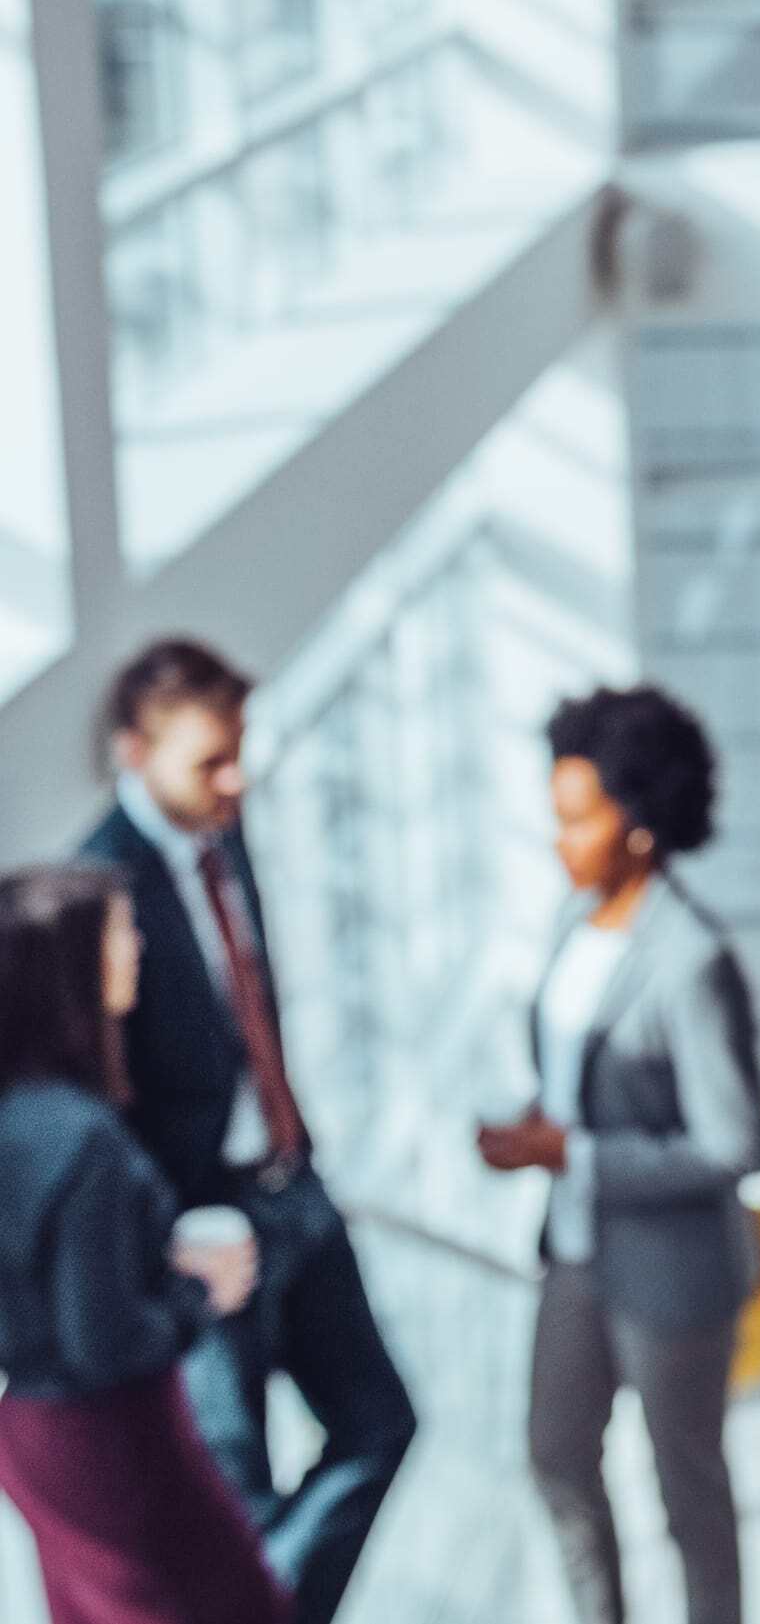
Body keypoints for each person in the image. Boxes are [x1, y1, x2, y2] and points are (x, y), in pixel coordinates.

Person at [79, 639, 415, 1624]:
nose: (236, 778)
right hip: (203, 1222)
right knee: (237, 1478)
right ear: (132, 750)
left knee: (381, 1421)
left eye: (239, 753)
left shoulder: (224, 838)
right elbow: (99, 1091)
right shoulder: (101, 888)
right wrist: (170, 1234)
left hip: (290, 1181)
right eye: (209, 761)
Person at [480, 683, 760, 1624]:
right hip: (575, 1252)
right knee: (556, 1451)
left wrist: (575, 1150)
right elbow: (578, 1075)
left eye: (575, 818)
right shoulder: (573, 921)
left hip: (672, 1269)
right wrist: (540, 1124)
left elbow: (735, 1141)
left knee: (688, 1491)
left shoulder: (692, 958)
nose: (557, 839)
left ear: (639, 824)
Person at [0, 863, 286, 1624]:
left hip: (30, 1430)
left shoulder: (17, 1116)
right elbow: (105, 1338)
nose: (138, 945)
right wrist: (200, 1292)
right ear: (73, 963)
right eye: (119, 931)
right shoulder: (83, 1141)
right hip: (112, 1438)